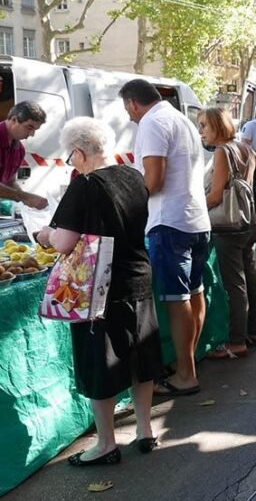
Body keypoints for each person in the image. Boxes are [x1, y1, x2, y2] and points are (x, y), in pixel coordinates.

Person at [36, 117, 162, 465]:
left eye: (69, 154)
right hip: (139, 275)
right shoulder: (133, 176)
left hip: (98, 288)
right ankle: (145, 431)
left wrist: (44, 235)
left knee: (100, 363)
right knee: (141, 357)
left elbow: (63, 242)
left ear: (78, 153)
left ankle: (106, 443)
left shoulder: (86, 185)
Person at [120, 79, 209, 397]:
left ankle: (187, 373)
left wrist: (124, 198)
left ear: (132, 103)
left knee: (177, 299)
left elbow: (153, 180)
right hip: (196, 219)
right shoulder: (181, 119)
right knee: (194, 293)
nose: (128, 115)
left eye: (127, 109)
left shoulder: (151, 123)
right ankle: (189, 364)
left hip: (168, 222)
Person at [199, 108, 256, 360]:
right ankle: (255, 331)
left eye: (204, 125)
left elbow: (217, 195)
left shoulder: (222, 152)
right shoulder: (245, 148)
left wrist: (194, 207)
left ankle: (237, 341)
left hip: (227, 225)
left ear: (217, 126)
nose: (201, 131)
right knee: (251, 278)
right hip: (248, 222)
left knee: (235, 285)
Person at [0, 101, 49, 210]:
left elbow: (10, 182)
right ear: (14, 120)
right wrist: (25, 197)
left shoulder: (20, 149)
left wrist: (26, 202)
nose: (32, 134)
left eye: (35, 130)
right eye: (29, 127)